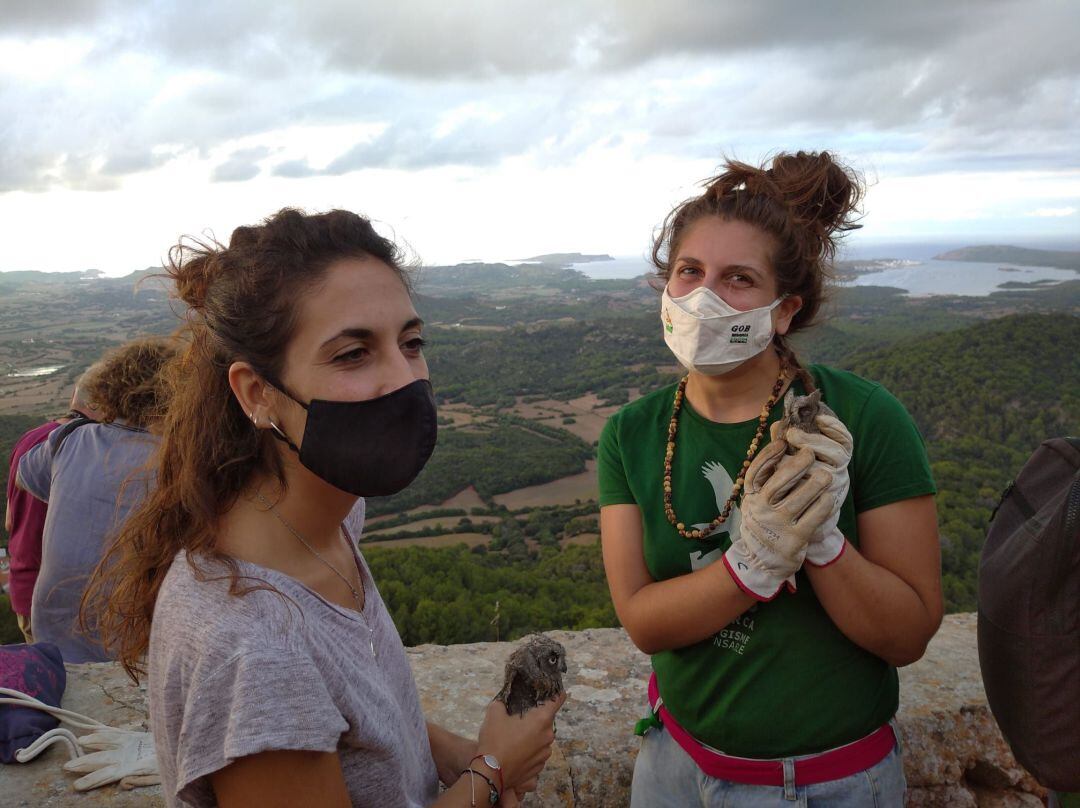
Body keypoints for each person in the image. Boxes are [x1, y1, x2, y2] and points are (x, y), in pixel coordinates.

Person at [81, 209, 563, 808]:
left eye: (411, 343)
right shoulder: (254, 646)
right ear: (257, 394)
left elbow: (355, 722)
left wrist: (451, 756)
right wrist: (493, 771)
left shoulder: (327, 517)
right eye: (352, 354)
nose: (402, 379)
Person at [597, 152, 942, 806]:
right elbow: (643, 620)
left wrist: (822, 542)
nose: (704, 296)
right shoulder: (631, 434)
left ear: (784, 311)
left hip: (826, 784)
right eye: (689, 271)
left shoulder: (865, 419)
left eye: (738, 280)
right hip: (673, 765)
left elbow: (908, 635)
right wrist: (751, 565)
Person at [15, 342, 173, 661]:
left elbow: (24, 475)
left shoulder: (68, 439)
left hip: (51, 638)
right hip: (128, 648)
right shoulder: (176, 462)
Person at [4, 383, 99, 644]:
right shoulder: (87, 448)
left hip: (24, 589)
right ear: (98, 406)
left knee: (49, 681)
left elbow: (10, 522)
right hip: (65, 599)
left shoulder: (28, 439)